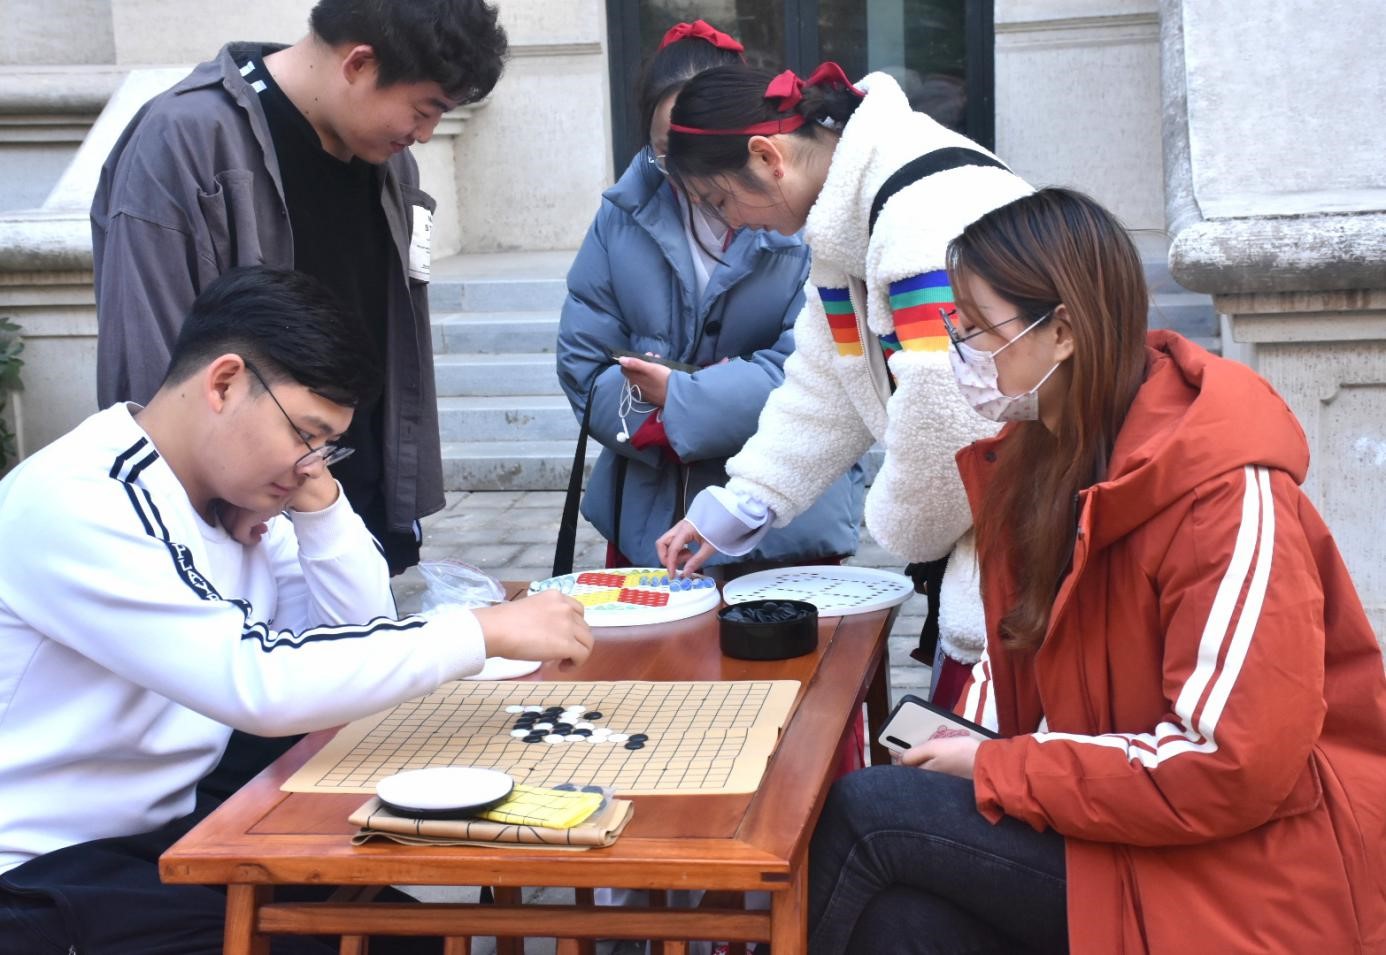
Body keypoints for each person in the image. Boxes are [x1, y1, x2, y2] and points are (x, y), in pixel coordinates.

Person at [806, 188, 1386, 954]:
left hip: (1245, 872)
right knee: (898, 922)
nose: (960, 353)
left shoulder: (1224, 491)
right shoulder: (1044, 459)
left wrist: (999, 766)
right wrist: (980, 749)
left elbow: (1232, 764)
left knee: (867, 814)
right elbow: (1032, 674)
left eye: (977, 329)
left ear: (1063, 331)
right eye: (957, 326)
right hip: (1132, 828)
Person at [0, 267, 591, 954]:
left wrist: (320, 505)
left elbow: (357, 635)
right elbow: (259, 682)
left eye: (327, 447)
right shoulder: (82, 500)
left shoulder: (235, 498)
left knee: (421, 936)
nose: (311, 462)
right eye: (305, 435)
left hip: (168, 833)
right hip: (42, 871)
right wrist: (478, 631)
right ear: (224, 383)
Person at [654, 62, 1032, 703]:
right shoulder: (856, 214)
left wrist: (904, 529)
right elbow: (831, 377)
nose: (732, 223)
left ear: (767, 156)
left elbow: (951, 420)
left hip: (1031, 541)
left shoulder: (923, 214)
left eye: (720, 200)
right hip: (1004, 531)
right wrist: (749, 497)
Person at [91, 0, 508, 576]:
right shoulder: (186, 139)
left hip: (352, 504)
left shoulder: (390, 163)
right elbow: (146, 354)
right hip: (238, 524)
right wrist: (213, 504)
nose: (426, 135)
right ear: (359, 63)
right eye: (424, 110)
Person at [557, 21, 863, 575]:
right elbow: (585, 361)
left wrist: (682, 401)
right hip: (650, 512)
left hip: (786, 524)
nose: (685, 172)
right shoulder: (619, 216)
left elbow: (817, 368)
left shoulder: (806, 213)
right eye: (665, 151)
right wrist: (655, 422)